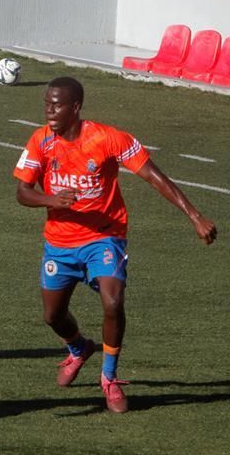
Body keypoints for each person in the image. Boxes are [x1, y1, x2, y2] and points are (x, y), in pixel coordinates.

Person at [13, 76, 217, 413]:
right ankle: (79, 348)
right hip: (60, 245)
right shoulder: (40, 141)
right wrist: (52, 199)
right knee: (53, 316)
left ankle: (109, 378)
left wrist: (194, 215)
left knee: (113, 301)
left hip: (103, 237)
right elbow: (22, 192)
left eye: (57, 104)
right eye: (47, 103)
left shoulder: (108, 139)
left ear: (75, 107)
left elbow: (154, 176)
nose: (49, 109)